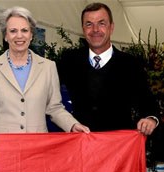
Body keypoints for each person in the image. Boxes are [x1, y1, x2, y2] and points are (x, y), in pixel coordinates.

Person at [0, 6, 90, 135]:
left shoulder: (48, 67)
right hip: (2, 147)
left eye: (24, 30)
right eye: (13, 31)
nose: (19, 36)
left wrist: (73, 125)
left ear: (31, 35)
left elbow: (55, 108)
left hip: (37, 147)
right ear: (5, 36)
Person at [57, 2, 159, 135]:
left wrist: (150, 119)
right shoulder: (68, 60)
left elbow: (148, 102)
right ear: (83, 29)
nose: (95, 30)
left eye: (101, 23)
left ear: (111, 27)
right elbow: (50, 97)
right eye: (89, 24)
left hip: (117, 148)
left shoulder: (131, 64)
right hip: (80, 146)